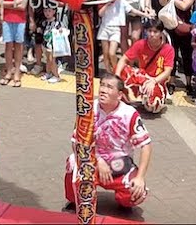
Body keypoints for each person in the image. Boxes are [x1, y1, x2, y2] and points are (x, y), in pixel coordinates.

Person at [63, 75, 152, 211]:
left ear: (120, 95)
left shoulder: (129, 114)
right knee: (72, 162)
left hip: (119, 164)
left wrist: (140, 177)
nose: (103, 90)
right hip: (92, 159)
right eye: (102, 85)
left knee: (137, 192)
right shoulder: (88, 110)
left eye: (109, 87)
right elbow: (77, 142)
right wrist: (98, 160)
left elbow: (146, 145)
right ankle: (76, 200)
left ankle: (124, 200)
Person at [114, 20, 175, 113]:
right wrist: (117, 77)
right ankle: (126, 97)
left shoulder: (168, 49)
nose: (151, 34)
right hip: (143, 77)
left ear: (161, 33)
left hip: (158, 81)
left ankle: (152, 97)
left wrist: (154, 81)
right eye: (149, 31)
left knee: (153, 107)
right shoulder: (141, 44)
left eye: (155, 31)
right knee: (121, 70)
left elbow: (167, 72)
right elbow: (124, 59)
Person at [0, 0, 29, 87]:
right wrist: (14, 3)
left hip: (20, 20)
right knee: (8, 46)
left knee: (18, 46)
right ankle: (8, 71)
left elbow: (23, 6)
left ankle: (17, 72)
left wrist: (7, 4)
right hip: (6, 19)